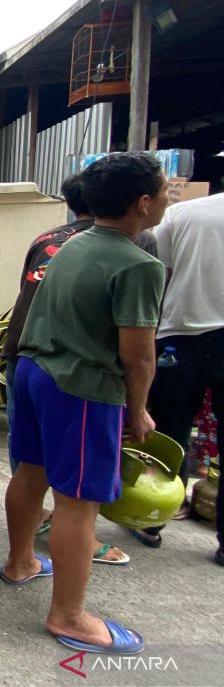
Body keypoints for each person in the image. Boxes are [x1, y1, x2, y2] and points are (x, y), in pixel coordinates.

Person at [4, 153, 168, 654]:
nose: (167, 198)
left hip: (32, 371)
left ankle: (21, 562)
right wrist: (137, 409)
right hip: (79, 386)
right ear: (142, 203)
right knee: (78, 501)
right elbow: (138, 356)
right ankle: (69, 616)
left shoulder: (66, 245)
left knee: (30, 472)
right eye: (163, 191)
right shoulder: (138, 263)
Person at [1, 172, 129, 566]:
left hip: (23, 351)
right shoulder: (124, 250)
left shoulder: (46, 240)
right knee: (77, 485)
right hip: (75, 369)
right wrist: (138, 401)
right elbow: (135, 340)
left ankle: (22, 555)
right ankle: (77, 546)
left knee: (30, 462)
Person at [138, 188, 224, 562]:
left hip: (179, 335)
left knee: (171, 433)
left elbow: (160, 274)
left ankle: (152, 519)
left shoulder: (183, 213)